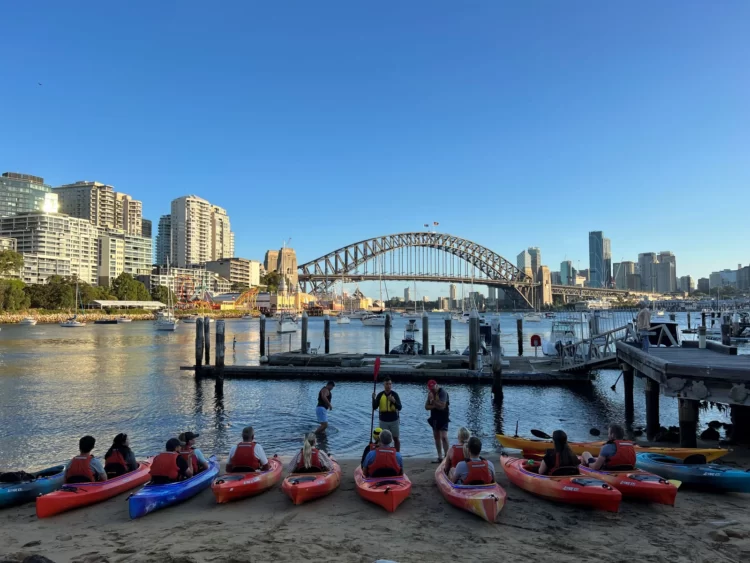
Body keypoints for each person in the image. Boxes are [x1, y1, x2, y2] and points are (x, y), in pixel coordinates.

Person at [372, 376, 402, 451]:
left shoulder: (395, 395)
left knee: (396, 438)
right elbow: (374, 407)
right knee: (383, 439)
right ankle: (384, 452)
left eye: (390, 384)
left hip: (394, 420)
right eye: (386, 384)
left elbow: (400, 407)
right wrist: (373, 399)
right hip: (383, 420)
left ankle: (397, 454)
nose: (388, 386)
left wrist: (394, 401)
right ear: (384, 385)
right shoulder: (380, 395)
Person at [425, 379, 450, 462]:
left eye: (433, 388)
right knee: (436, 437)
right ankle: (440, 456)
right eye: (430, 389)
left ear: (436, 385)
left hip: (444, 416)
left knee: (444, 436)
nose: (432, 390)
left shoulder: (443, 392)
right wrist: (435, 405)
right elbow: (426, 407)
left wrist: (433, 401)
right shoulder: (430, 394)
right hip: (434, 417)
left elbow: (442, 406)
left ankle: (447, 456)